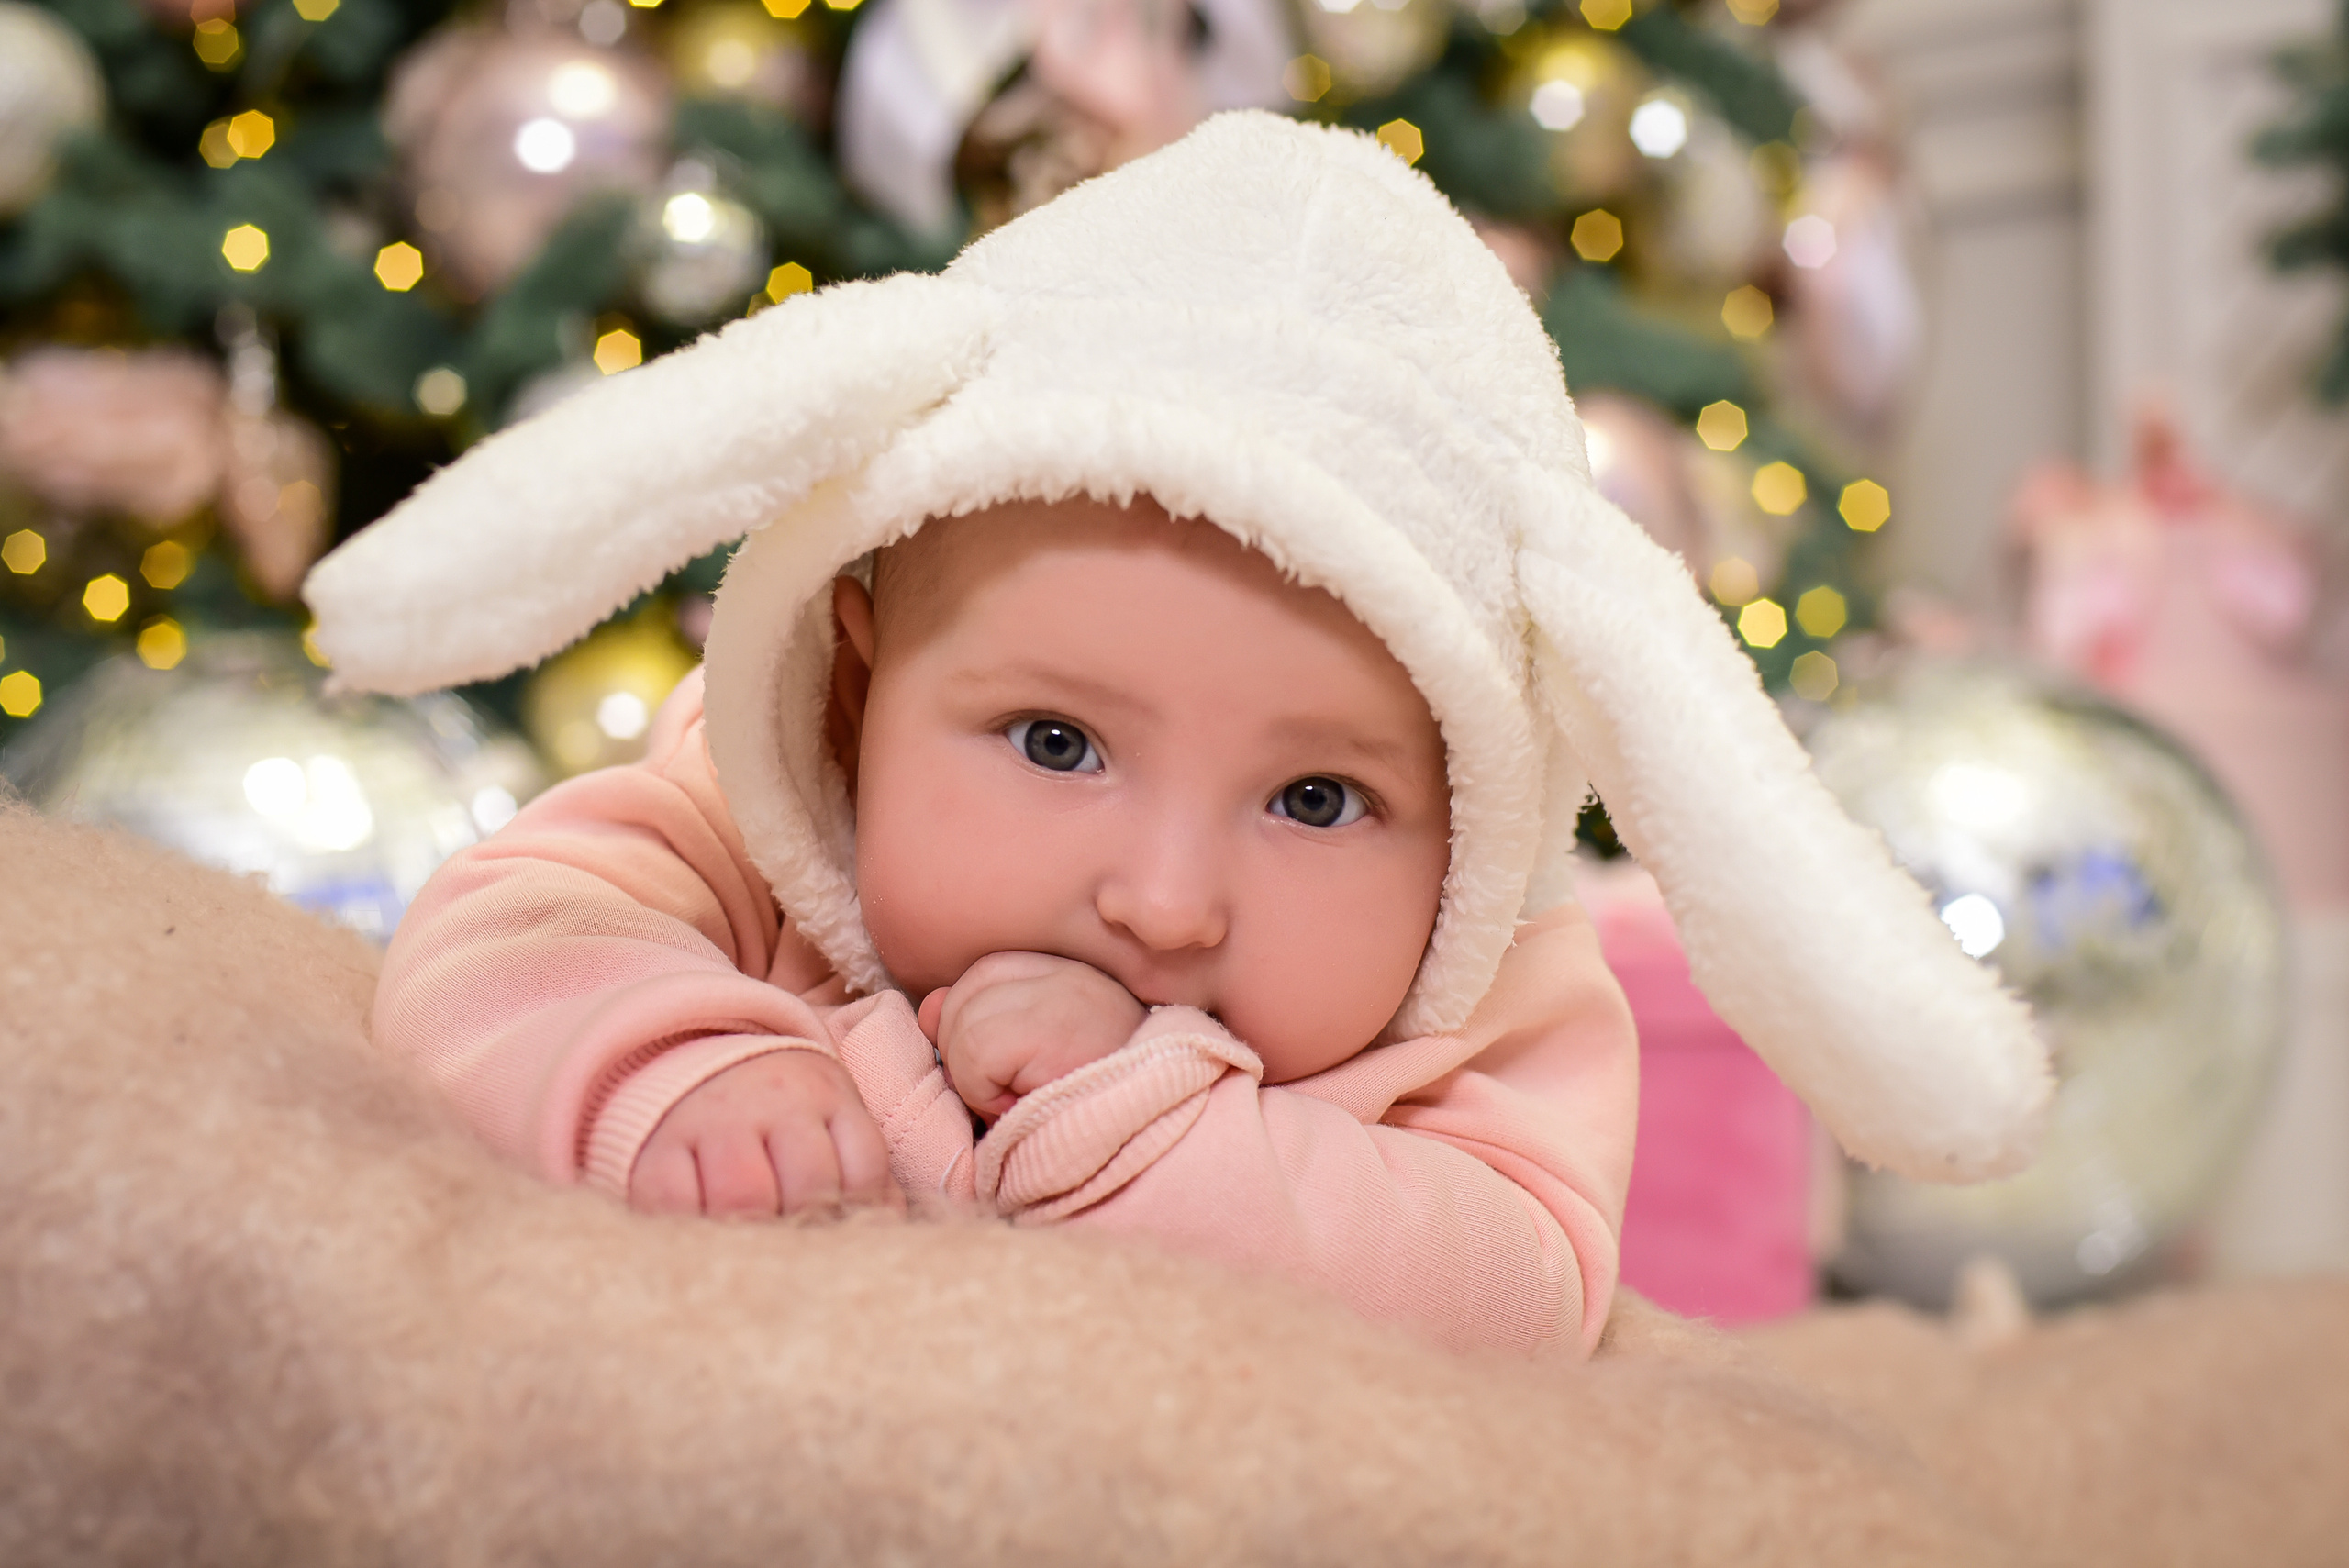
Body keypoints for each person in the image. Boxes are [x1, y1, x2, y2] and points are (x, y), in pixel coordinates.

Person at [309, 111, 2051, 1360]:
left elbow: (1515, 1290)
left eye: (1317, 795)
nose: (1162, 899)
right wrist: (680, 1066)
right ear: (858, 679)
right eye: (1057, 742)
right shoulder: (761, 809)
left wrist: (1135, 1121)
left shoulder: (1497, 996)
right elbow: (493, 946)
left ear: (1470, 811)